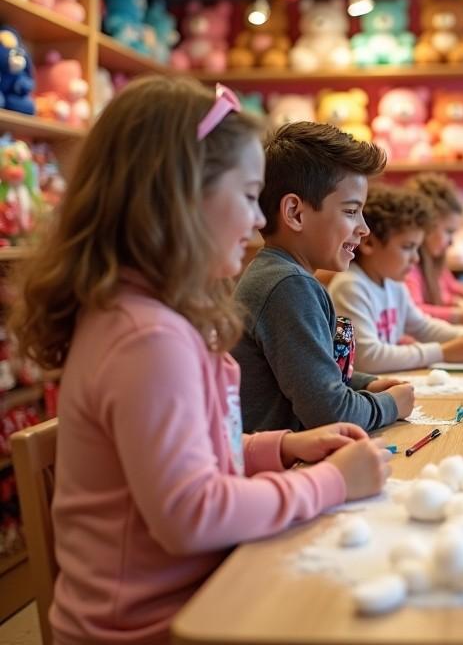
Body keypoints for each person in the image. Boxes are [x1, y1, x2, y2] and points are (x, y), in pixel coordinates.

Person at [9, 77, 392, 645]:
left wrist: (279, 447)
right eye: (244, 197)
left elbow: (188, 452)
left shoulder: (151, 318)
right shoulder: (148, 338)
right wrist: (329, 484)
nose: (259, 222)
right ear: (180, 200)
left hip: (195, 595)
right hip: (155, 625)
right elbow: (192, 512)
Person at [232, 121, 414, 433]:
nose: (364, 228)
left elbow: (307, 370)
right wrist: (391, 405)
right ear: (295, 213)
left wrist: (368, 384)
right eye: (350, 211)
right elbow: (331, 413)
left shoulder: (280, 274)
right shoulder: (288, 286)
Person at [330, 184, 463, 373]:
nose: (416, 258)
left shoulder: (394, 283)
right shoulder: (350, 287)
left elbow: (422, 326)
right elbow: (367, 358)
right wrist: (441, 352)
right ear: (369, 243)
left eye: (417, 248)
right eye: (407, 247)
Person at [404, 172, 463, 332]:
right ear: (426, 226)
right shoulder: (409, 267)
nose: (452, 242)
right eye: (448, 231)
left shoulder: (435, 261)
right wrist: (459, 315)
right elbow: (413, 313)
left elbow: (449, 287)